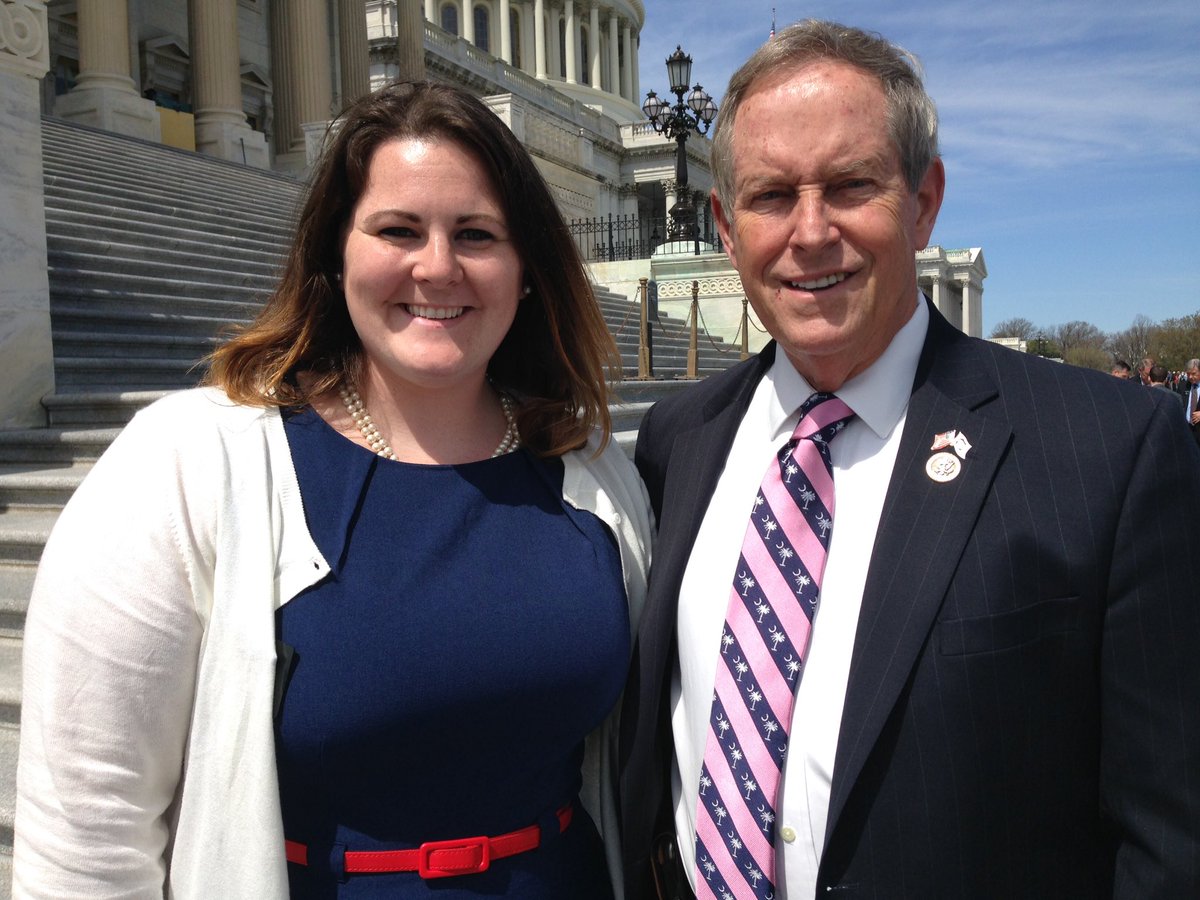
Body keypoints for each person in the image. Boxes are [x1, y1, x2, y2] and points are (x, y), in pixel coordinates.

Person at [16, 81, 653, 898]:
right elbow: (87, 834)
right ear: (336, 255)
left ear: (526, 269)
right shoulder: (191, 461)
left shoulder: (595, 476)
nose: (437, 266)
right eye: (397, 230)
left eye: (476, 234)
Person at [619, 20, 1200, 900]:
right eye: (772, 196)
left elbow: (1169, 834)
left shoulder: (1111, 451)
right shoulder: (679, 438)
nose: (811, 233)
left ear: (924, 200)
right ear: (727, 228)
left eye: (852, 186)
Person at [1185, 358, 1200, 447]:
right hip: (1186, 430)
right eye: (1188, 374)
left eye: (1194, 374)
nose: (1190, 377)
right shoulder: (1183, 385)